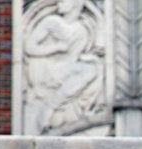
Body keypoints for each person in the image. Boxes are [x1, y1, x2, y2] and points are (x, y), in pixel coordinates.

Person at [24, 0, 103, 134]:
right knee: (91, 70)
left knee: (94, 68)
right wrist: (55, 48)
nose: (58, 4)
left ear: (74, 4)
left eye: (63, 1)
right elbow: (29, 47)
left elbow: (74, 57)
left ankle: (58, 107)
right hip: (48, 69)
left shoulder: (82, 29)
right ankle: (49, 108)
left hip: (65, 68)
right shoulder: (51, 22)